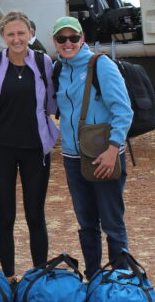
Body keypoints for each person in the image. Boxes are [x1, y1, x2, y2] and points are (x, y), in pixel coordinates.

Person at [0, 10, 59, 282]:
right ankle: (9, 277)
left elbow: (52, 103)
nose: (16, 39)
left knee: (35, 215)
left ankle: (38, 277)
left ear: (30, 34)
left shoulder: (43, 62)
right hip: (0, 150)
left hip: (35, 150)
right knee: (5, 217)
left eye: (21, 33)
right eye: (10, 34)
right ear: (3, 36)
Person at [50, 16, 133, 279]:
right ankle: (94, 277)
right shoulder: (57, 70)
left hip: (103, 155)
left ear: (82, 38)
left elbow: (123, 109)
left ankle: (120, 280)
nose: (68, 43)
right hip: (73, 157)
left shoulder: (101, 65)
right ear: (55, 42)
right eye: (62, 39)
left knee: (112, 222)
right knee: (86, 224)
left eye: (73, 38)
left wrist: (113, 149)